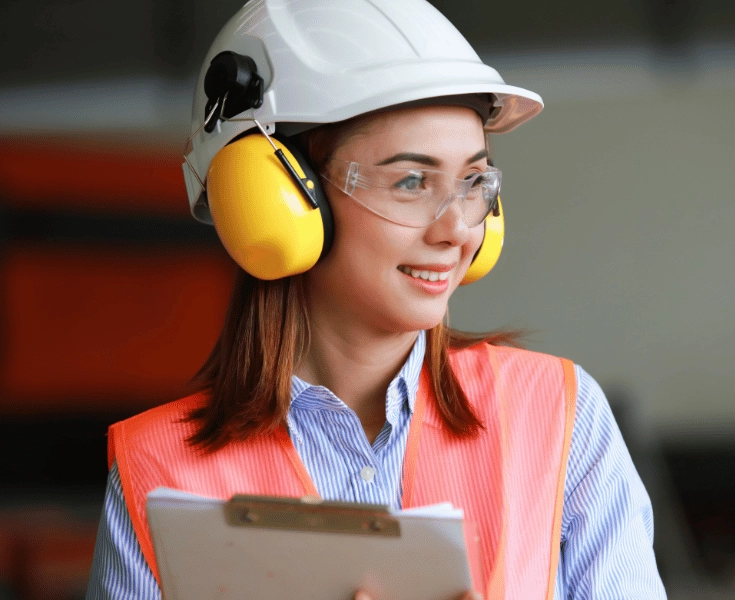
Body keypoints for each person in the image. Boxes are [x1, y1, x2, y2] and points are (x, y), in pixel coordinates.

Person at [87, 1, 667, 598]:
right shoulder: (156, 471)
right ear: (279, 198)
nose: (458, 229)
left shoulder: (560, 417)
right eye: (411, 182)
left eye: (473, 183)